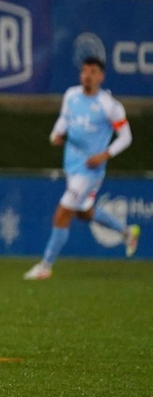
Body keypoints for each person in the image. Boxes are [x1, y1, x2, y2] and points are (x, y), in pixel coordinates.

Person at [24, 58, 138, 280]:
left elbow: (126, 137)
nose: (87, 75)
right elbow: (64, 120)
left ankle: (45, 266)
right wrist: (56, 133)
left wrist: (104, 155)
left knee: (63, 212)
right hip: (71, 166)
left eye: (93, 71)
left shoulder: (110, 106)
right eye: (84, 71)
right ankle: (127, 232)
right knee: (84, 213)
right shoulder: (71, 95)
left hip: (90, 171)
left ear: (101, 77)